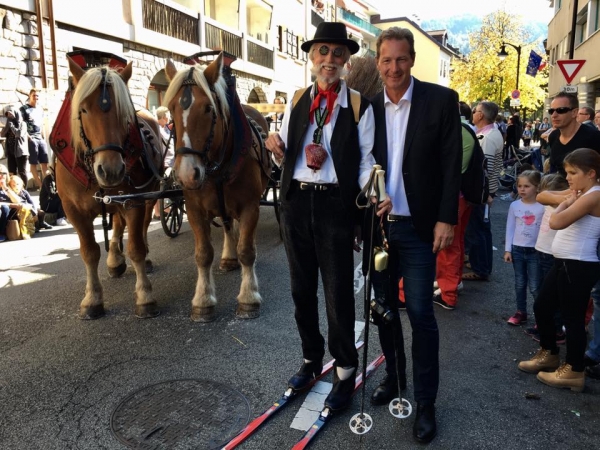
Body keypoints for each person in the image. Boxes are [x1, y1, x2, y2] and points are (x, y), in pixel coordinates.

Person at [264, 22, 379, 413]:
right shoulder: (297, 99)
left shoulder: (359, 106)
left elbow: (364, 162)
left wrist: (373, 192)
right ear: (312, 57)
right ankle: (312, 360)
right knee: (300, 290)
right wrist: (276, 148)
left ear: (347, 59)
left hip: (334, 207)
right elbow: (288, 155)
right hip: (296, 203)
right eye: (323, 52)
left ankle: (345, 370)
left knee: (337, 294)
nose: (330, 60)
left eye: (337, 53)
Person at [368, 26, 462, 444]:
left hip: (421, 230)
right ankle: (395, 376)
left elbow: (449, 164)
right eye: (386, 60)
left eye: (401, 59)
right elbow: (359, 163)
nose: (394, 67)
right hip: (381, 230)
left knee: (422, 316)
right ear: (377, 62)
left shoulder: (440, 100)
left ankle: (425, 403)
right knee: (383, 309)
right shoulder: (366, 107)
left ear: (412, 60)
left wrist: (447, 218)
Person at [431, 101, 476, 310]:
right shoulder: (464, 129)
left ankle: (448, 293)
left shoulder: (457, 131)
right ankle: (452, 284)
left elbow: (449, 170)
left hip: (453, 196)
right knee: (454, 243)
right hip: (461, 196)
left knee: (447, 245)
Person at [525, 173, 570, 344]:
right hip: (541, 252)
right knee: (540, 291)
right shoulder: (547, 204)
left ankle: (556, 330)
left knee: (552, 295)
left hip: (553, 255)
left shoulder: (564, 207)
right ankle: (543, 324)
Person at [463, 101, 504, 282]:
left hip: (482, 192)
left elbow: (483, 169)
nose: (473, 113)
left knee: (478, 229)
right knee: (481, 228)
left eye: (475, 111)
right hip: (487, 190)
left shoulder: (486, 138)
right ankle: (480, 263)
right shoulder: (490, 133)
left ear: (481, 115)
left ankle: (481, 268)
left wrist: (484, 193)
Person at [504, 170, 544, 326]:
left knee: (535, 286)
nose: (522, 189)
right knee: (519, 283)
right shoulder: (514, 205)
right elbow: (510, 228)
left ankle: (541, 315)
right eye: (519, 186)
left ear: (537, 187)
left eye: (526, 186)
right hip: (518, 250)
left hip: (535, 251)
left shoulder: (542, 207)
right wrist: (508, 249)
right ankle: (521, 312)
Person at [547, 93, 600, 175]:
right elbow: (554, 169)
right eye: (551, 111)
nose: (554, 115)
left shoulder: (594, 137)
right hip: (558, 186)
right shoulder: (553, 136)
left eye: (561, 110)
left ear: (574, 112)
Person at [20, 89, 49, 190]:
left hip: (40, 138)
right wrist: (28, 137)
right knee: (34, 163)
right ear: (29, 96)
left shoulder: (40, 109)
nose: (36, 98)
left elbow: (41, 124)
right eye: (34, 96)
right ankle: (40, 185)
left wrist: (43, 137)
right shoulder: (24, 109)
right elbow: (21, 124)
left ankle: (47, 185)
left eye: (37, 96)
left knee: (44, 162)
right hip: (31, 138)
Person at [153, 106, 173, 220]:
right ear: (165, 117)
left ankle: (158, 211)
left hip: (171, 160)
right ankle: (160, 210)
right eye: (169, 116)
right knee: (162, 185)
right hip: (165, 162)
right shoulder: (157, 129)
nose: (170, 118)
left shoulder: (165, 128)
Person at [1, 106, 29, 186]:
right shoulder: (9, 124)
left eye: (11, 114)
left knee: (22, 172)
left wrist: (12, 126)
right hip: (10, 151)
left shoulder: (23, 124)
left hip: (20, 152)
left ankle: (24, 190)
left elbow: (18, 134)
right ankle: (13, 189)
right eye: (8, 115)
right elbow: (2, 134)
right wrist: (7, 125)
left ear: (15, 114)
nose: (9, 116)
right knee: (11, 172)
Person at [39, 160, 67, 226]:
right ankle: (59, 218)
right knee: (62, 196)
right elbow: (52, 194)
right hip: (47, 205)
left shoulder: (58, 178)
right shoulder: (48, 179)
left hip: (53, 202)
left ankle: (65, 216)